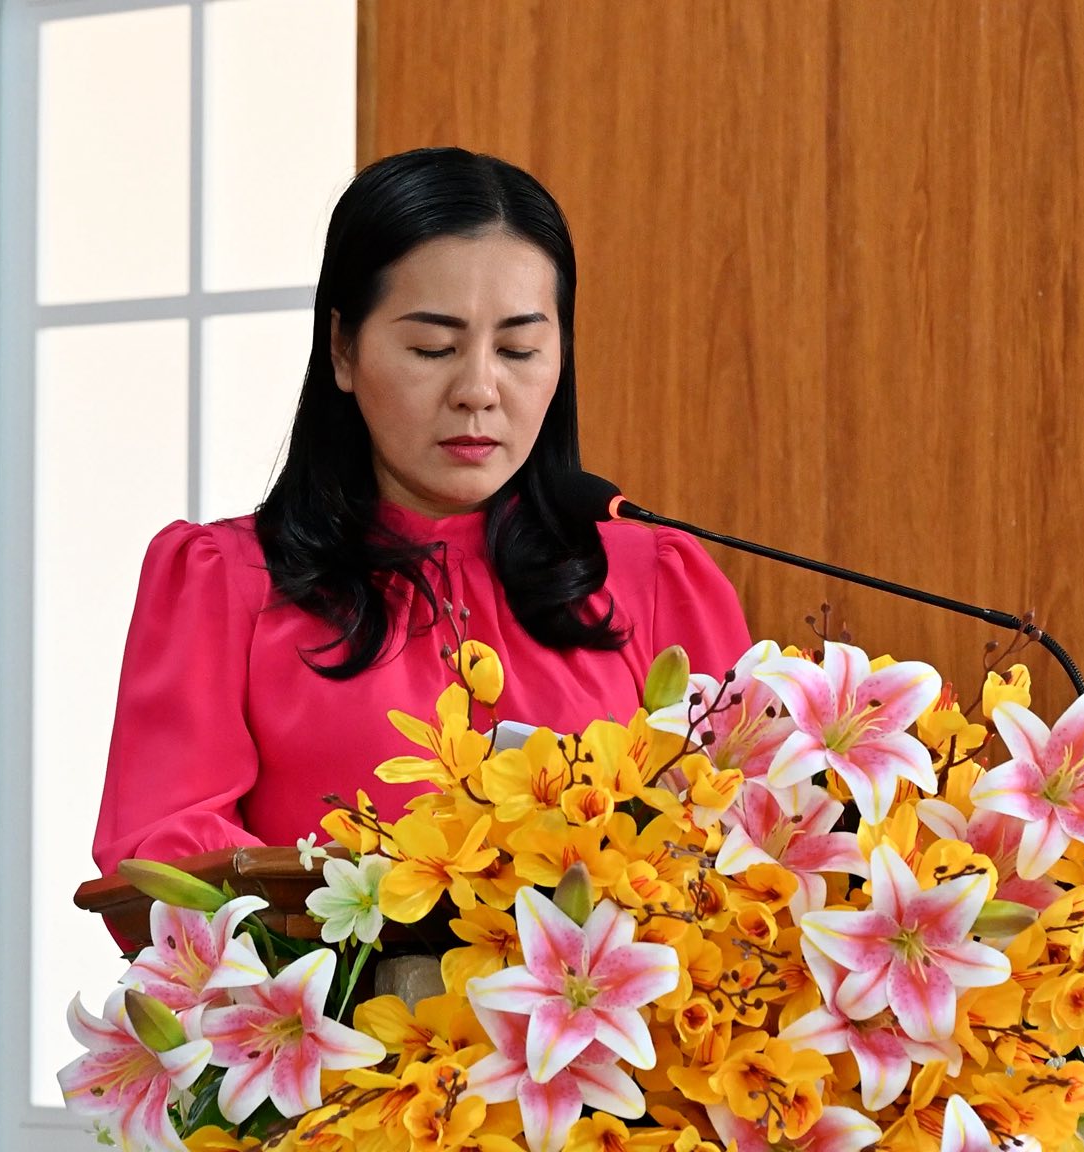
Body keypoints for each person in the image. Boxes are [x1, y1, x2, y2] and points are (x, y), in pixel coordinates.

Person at [91, 147, 751, 875]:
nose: (478, 391)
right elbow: (162, 857)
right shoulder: (228, 582)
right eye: (434, 348)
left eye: (519, 349)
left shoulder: (656, 579)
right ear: (344, 349)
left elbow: (744, 837)